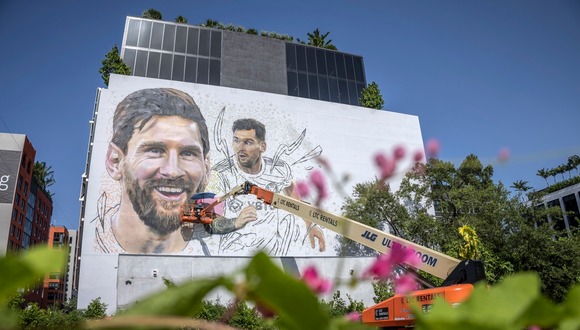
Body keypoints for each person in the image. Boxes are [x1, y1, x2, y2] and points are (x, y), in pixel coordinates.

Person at [94, 88, 256, 254]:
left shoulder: (211, 243)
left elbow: (217, 223)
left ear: (206, 168)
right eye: (155, 150)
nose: (173, 171)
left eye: (188, 153)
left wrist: (237, 222)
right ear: (115, 162)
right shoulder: (95, 243)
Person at [211, 118, 326, 255]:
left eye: (248, 142)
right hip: (234, 255)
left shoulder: (278, 169)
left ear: (262, 147)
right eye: (236, 141)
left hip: (271, 256)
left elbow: (292, 192)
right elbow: (210, 220)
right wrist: (235, 222)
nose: (240, 148)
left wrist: (309, 224)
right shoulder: (220, 173)